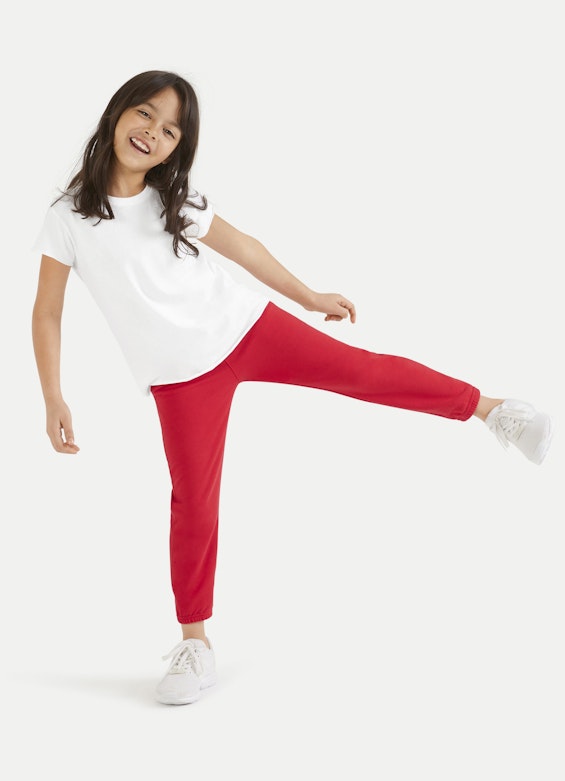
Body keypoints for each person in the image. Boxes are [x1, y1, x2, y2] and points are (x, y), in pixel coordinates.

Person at [31, 70, 553, 707]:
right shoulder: (68, 217)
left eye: (170, 130)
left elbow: (244, 248)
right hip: (180, 379)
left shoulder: (176, 200)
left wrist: (307, 296)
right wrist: (53, 395)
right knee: (194, 504)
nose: (153, 133)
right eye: (145, 114)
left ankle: (495, 411)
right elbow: (47, 312)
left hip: (246, 328)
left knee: (362, 372)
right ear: (118, 112)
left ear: (176, 149)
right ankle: (196, 644)